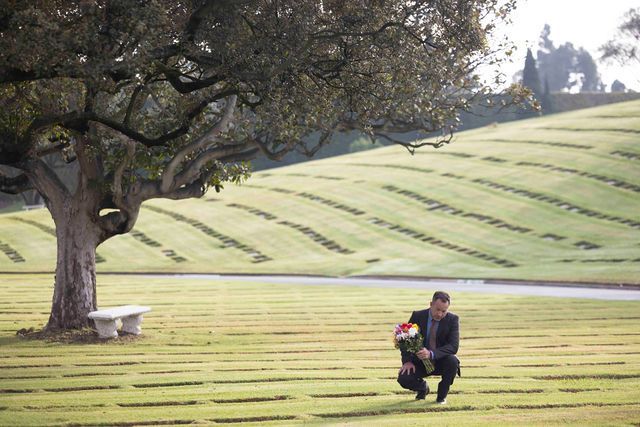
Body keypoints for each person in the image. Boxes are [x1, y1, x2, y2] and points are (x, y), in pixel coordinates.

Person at [397, 291, 460, 404]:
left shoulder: (453, 319)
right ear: (431, 304)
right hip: (419, 362)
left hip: (441, 361)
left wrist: (431, 353)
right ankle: (423, 388)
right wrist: (407, 362)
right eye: (437, 310)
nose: (440, 314)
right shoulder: (417, 316)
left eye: (444, 311)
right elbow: (405, 339)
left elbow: (453, 346)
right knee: (403, 378)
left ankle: (441, 397)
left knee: (453, 361)